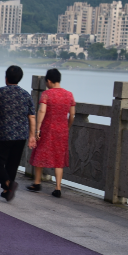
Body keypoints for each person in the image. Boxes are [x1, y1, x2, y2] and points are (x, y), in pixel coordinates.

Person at [0, 65, 36, 202]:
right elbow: (32, 117)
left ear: (6, 78)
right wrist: (32, 136)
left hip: (2, 134)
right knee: (13, 164)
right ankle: (7, 190)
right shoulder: (26, 95)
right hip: (20, 136)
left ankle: (8, 184)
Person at [27, 68, 75, 198]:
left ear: (48, 81)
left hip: (47, 129)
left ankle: (37, 182)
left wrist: (37, 129)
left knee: (40, 153)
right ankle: (58, 187)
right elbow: (72, 114)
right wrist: (67, 127)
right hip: (62, 131)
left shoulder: (46, 94)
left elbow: (42, 111)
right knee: (59, 158)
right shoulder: (69, 94)